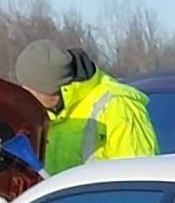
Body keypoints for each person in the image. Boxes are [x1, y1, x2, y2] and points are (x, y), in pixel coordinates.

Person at [15, 39, 158, 172]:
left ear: (50, 89)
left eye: (29, 90)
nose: (25, 96)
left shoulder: (119, 107)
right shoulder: (49, 115)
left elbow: (138, 182)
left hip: (103, 199)